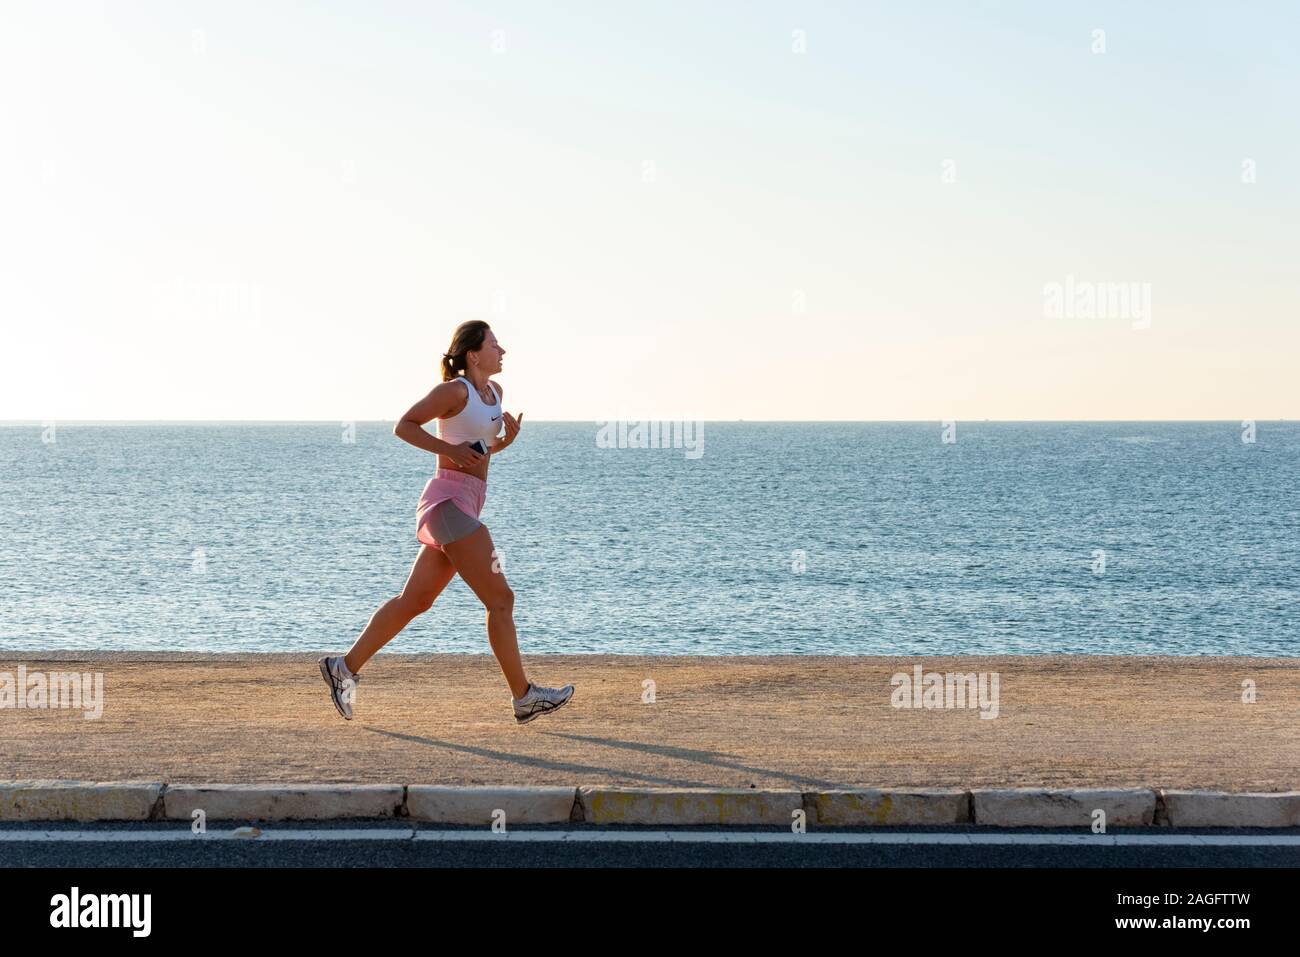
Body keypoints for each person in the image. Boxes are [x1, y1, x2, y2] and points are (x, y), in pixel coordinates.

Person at [318, 320, 574, 724]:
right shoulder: (455, 390)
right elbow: (404, 425)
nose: (502, 350)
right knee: (501, 599)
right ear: (473, 353)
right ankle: (524, 697)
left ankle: (343, 669)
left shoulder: (494, 394)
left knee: (415, 601)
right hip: (447, 501)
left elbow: (479, 450)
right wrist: (448, 451)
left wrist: (501, 444)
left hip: (467, 504)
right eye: (494, 344)